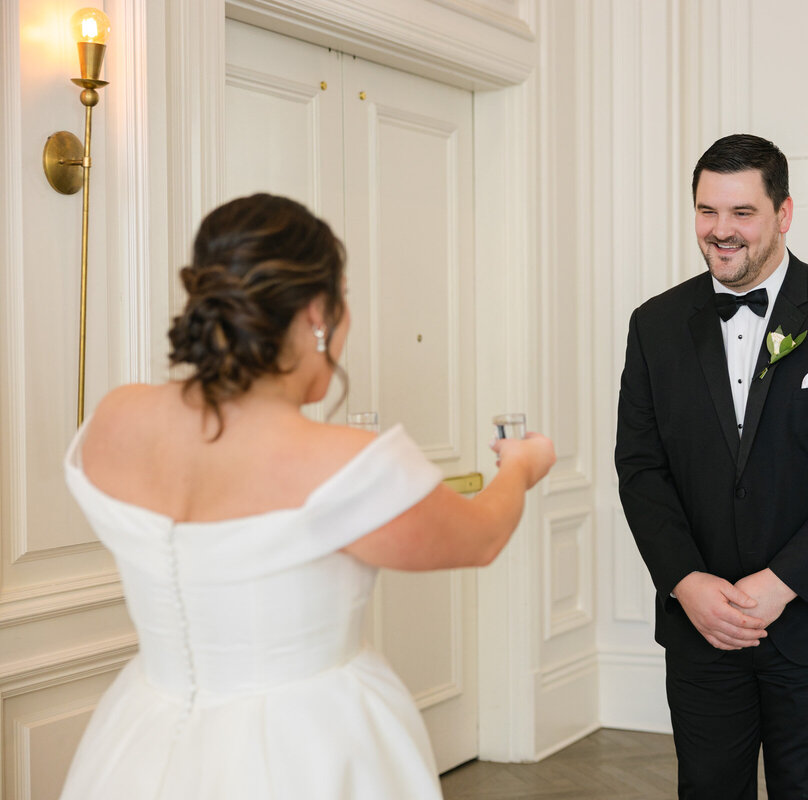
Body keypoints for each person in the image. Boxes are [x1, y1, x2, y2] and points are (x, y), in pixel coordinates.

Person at [59, 194, 555, 799]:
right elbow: (481, 536)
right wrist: (521, 468)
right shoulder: (340, 460)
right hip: (305, 748)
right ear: (317, 311)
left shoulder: (115, 417)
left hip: (141, 735)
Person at [615, 134, 808, 799]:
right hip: (703, 624)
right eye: (706, 211)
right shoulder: (655, 325)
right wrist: (686, 581)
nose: (720, 231)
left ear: (783, 213)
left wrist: (782, 583)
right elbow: (640, 468)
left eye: (741, 213)